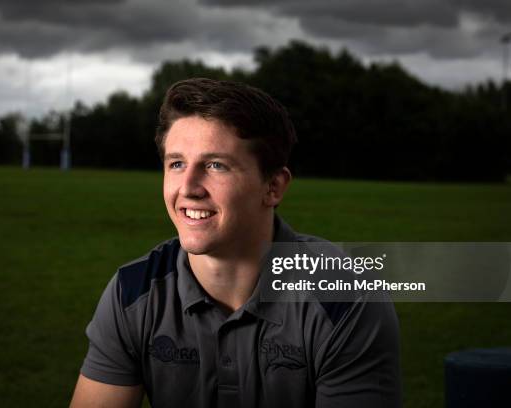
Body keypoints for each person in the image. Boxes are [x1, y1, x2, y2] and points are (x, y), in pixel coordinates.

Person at [70, 78, 401, 408]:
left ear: (273, 186)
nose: (188, 187)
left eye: (215, 165)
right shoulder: (132, 293)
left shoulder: (347, 299)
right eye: (177, 164)